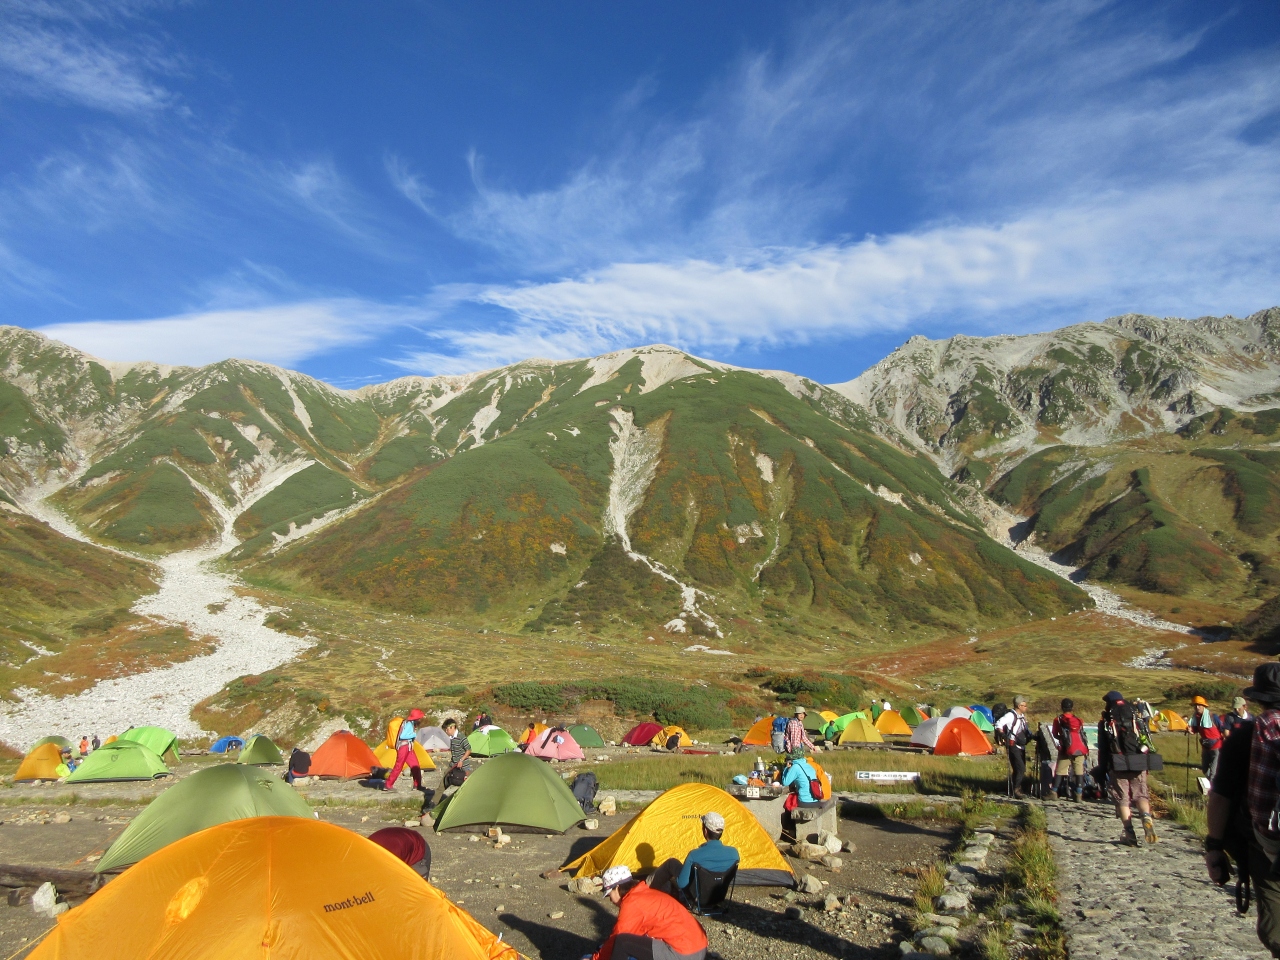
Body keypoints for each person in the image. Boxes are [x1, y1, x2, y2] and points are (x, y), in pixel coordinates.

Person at [1204, 663, 1280, 957]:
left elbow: (1221, 795)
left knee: (1275, 928)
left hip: (1265, 846)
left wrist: (1214, 846)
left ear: (1258, 697)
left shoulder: (1245, 735)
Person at [590, 865, 708, 960]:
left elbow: (618, 937)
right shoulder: (646, 893)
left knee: (622, 942)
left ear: (617, 887)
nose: (610, 900)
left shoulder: (632, 903)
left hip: (685, 953)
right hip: (699, 947)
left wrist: (597, 958)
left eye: (609, 895)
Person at [1098, 690, 1157, 846]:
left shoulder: (1105, 721)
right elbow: (1146, 739)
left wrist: (1102, 769)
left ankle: (1129, 834)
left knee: (1122, 798)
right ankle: (1146, 816)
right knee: (1141, 795)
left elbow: (1103, 749)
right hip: (1138, 760)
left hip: (1118, 762)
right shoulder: (1135, 717)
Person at [647, 812, 741, 899]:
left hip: (697, 896)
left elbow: (681, 884)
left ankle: (646, 889)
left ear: (705, 831)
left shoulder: (695, 855)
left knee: (672, 863)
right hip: (717, 897)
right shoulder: (734, 854)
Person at [1049, 698, 1088, 802]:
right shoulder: (1079, 720)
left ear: (1062, 707)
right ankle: (1078, 794)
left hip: (1066, 749)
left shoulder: (1058, 719)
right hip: (1079, 748)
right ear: (1072, 707)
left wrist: (1063, 740)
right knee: (1079, 770)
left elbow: (1055, 733)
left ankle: (1054, 792)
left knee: (1060, 770)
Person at [994, 696, 1031, 798]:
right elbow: (998, 724)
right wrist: (1003, 735)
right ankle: (1016, 790)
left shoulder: (1022, 716)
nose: (1026, 707)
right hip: (1013, 745)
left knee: (1019, 768)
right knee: (1021, 768)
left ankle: (1015, 789)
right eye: (1024, 705)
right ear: (1019, 706)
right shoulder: (1010, 715)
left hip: (1021, 746)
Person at [384, 708, 425, 791]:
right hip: (404, 747)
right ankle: (388, 785)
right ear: (416, 718)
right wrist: (413, 735)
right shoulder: (409, 724)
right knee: (399, 766)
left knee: (415, 765)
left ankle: (417, 785)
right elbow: (402, 736)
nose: (420, 719)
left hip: (408, 747)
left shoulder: (410, 723)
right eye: (420, 718)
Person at [1189, 695, 1224, 780]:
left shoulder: (1213, 716)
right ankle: (1211, 784)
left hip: (1216, 746)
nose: (1197, 707)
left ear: (1204, 706)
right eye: (1195, 705)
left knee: (1213, 771)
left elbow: (1222, 729)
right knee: (1204, 769)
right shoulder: (1195, 718)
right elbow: (1195, 729)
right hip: (1205, 746)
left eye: (1199, 705)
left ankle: (1212, 787)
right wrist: (1191, 730)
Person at [442, 718, 472, 787]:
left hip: (463, 766)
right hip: (453, 764)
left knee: (464, 787)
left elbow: (469, 750)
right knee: (444, 781)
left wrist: (461, 760)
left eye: (447, 730)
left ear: (452, 727)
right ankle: (436, 798)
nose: (446, 732)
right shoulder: (451, 738)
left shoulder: (461, 737)